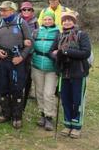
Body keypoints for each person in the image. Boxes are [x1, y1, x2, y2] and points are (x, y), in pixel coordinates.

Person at [51, 11, 91, 139]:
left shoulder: (81, 35)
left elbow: (85, 53)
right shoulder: (59, 35)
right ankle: (67, 124)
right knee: (65, 99)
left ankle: (77, 126)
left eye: (70, 20)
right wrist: (56, 55)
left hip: (78, 72)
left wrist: (66, 52)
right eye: (65, 20)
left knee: (77, 100)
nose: (67, 22)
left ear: (74, 22)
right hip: (64, 72)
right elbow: (51, 51)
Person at [0, 1, 33, 129]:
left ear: (12, 11)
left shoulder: (21, 23)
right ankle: (6, 114)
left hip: (17, 60)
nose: (2, 12)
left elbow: (30, 42)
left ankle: (17, 116)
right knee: (3, 87)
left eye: (5, 10)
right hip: (3, 59)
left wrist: (21, 57)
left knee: (16, 88)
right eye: (1, 10)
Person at [31, 10, 60, 131]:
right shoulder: (36, 32)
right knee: (39, 92)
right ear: (42, 20)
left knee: (49, 93)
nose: (47, 21)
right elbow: (31, 46)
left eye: (50, 19)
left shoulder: (58, 33)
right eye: (45, 19)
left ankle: (49, 117)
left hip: (51, 68)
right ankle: (42, 114)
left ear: (54, 20)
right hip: (37, 66)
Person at [18, 1, 39, 109]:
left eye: (29, 9)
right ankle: (16, 99)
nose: (26, 11)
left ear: (32, 11)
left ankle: (23, 104)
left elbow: (36, 39)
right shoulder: (16, 21)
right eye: (24, 9)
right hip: (17, 53)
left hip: (30, 54)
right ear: (21, 11)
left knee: (27, 80)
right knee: (17, 78)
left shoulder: (36, 23)